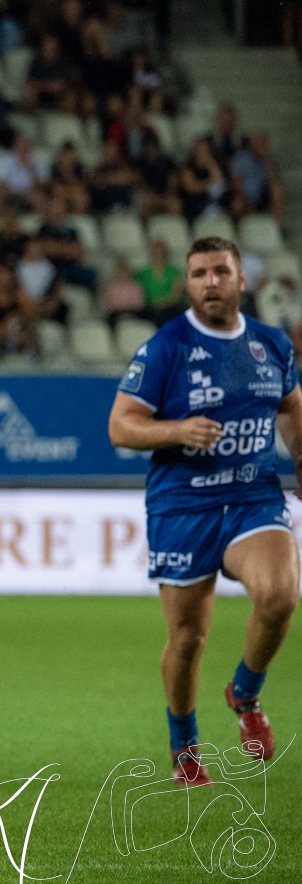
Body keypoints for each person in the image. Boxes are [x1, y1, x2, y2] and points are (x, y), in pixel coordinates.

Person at [109, 237, 298, 786]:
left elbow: (289, 404)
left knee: (280, 594)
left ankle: (245, 692)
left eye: (220, 271)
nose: (210, 282)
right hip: (183, 504)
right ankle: (184, 750)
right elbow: (121, 425)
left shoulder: (272, 344)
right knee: (188, 638)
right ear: (187, 285)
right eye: (198, 274)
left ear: (243, 279)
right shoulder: (165, 348)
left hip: (251, 496)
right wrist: (176, 430)